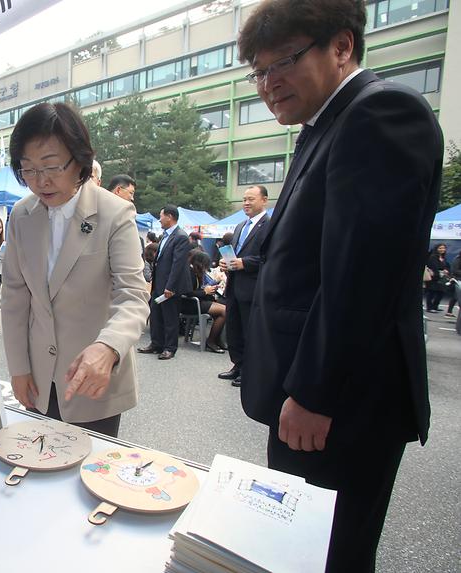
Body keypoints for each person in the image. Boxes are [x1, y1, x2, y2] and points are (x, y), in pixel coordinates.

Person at [237, 1, 442, 570]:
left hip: (339, 404)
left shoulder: (380, 113)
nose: (269, 84)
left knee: (328, 556)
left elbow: (362, 276)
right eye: (258, 71)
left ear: (343, 47)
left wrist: (315, 394)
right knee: (296, 549)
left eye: (284, 61)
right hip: (312, 397)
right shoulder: (326, 124)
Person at [2, 102, 148, 438]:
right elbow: (14, 297)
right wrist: (18, 368)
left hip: (94, 378)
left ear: (79, 159)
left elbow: (133, 296)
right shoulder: (22, 215)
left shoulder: (114, 213)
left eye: (51, 166)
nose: (41, 181)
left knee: (89, 465)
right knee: (37, 459)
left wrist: (109, 346)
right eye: (28, 169)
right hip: (38, 378)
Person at [218, 185, 271, 387]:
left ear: (264, 200)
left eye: (251, 199)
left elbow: (269, 257)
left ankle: (249, 371)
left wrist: (244, 263)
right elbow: (235, 254)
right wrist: (227, 263)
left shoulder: (269, 225)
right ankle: (238, 364)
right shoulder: (240, 226)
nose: (246, 203)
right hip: (234, 285)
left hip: (253, 287)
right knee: (234, 328)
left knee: (250, 331)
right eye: (244, 199)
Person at [138, 205, 192, 360]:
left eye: (161, 216)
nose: (159, 219)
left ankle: (169, 348)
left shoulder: (180, 236)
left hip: (169, 286)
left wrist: (170, 286)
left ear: (169, 217)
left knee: (170, 317)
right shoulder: (165, 235)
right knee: (156, 315)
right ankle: (156, 344)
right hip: (159, 283)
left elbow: (178, 264)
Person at [182, 250, 227, 353]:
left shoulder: (195, 272)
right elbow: (188, 292)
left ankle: (216, 339)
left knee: (223, 307)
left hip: (198, 301)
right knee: (224, 311)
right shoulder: (189, 272)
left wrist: (209, 289)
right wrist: (205, 292)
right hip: (190, 303)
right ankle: (211, 341)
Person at [424, 243, 449, 313]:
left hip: (442, 277)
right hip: (433, 276)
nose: (442, 249)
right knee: (431, 292)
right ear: (437, 249)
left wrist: (446, 270)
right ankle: (429, 307)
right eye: (440, 248)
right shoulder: (432, 257)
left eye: (443, 248)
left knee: (441, 292)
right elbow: (433, 266)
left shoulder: (444, 258)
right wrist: (437, 272)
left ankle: (435, 306)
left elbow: (446, 266)